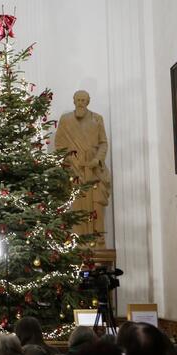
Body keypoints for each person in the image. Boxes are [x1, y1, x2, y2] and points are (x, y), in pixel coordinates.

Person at [54, 90, 110, 241]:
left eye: (83, 100)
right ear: (74, 101)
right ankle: (78, 240)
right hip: (74, 169)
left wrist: (97, 159)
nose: (80, 103)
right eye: (78, 100)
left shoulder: (97, 119)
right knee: (77, 204)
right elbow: (59, 144)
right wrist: (70, 161)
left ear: (88, 102)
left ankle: (97, 240)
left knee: (96, 203)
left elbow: (103, 143)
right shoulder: (65, 120)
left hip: (94, 170)